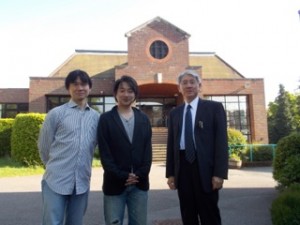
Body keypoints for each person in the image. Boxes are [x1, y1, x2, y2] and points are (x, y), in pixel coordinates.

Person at [166, 70, 228, 225]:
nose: (189, 85)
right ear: (179, 88)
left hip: (206, 170)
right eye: (184, 83)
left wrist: (219, 173)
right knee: (188, 214)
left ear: (199, 86)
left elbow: (221, 142)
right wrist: (171, 174)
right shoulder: (175, 113)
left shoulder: (214, 108)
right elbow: (171, 145)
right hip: (183, 168)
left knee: (209, 215)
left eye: (192, 82)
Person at [38, 69, 100, 225]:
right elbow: (44, 146)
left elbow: (97, 145)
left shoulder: (96, 117)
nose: (80, 88)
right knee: (53, 222)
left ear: (90, 88)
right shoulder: (56, 114)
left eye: (84, 84)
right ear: (68, 88)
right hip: (56, 180)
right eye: (75, 84)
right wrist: (54, 167)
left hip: (81, 182)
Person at [97, 75, 152, 225]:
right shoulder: (106, 119)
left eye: (130, 91)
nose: (126, 95)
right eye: (122, 90)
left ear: (135, 94)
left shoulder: (144, 119)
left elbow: (147, 152)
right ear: (115, 94)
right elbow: (105, 154)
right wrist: (122, 176)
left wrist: (139, 174)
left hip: (139, 185)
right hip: (114, 185)